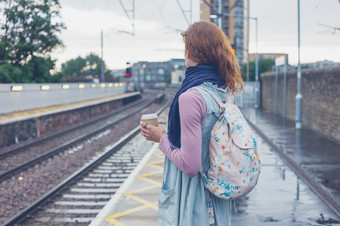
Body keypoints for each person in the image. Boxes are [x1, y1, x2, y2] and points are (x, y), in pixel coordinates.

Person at [140, 21, 243, 226]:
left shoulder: (190, 98)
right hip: (216, 199)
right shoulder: (221, 93)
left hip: (193, 202)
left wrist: (161, 138)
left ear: (191, 51)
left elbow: (190, 165)